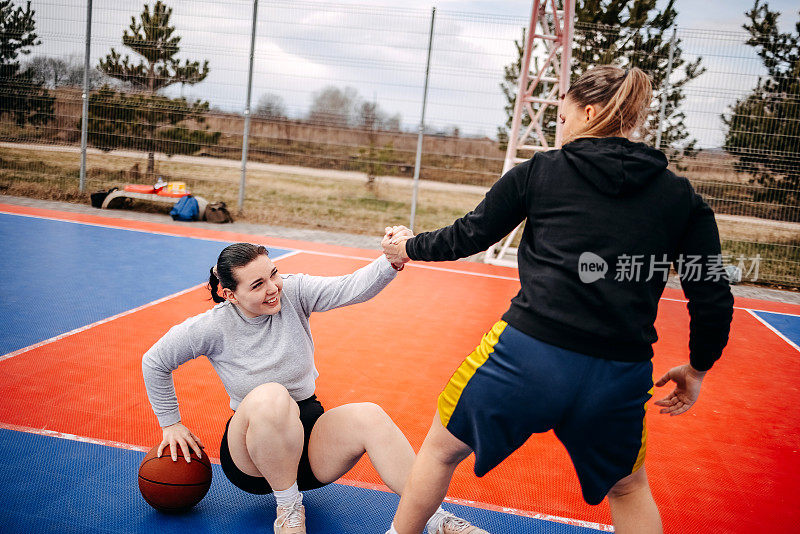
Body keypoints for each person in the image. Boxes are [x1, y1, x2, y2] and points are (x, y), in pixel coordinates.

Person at [381, 65, 735, 534]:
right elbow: (711, 293)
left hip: (526, 354)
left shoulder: (541, 172)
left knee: (440, 450)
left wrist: (405, 247)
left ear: (588, 112)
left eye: (563, 118)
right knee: (628, 489)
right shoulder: (680, 196)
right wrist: (698, 368)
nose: (560, 129)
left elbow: (468, 236)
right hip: (619, 372)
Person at [142, 240, 485, 534]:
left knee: (370, 414)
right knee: (271, 395)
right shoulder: (211, 327)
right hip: (253, 456)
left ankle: (435, 518)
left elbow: (350, 287)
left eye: (273, 274)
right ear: (230, 294)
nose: (273, 287)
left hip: (309, 443)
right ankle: (288, 511)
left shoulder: (292, 293)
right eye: (257, 284)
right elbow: (154, 361)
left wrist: (391, 261)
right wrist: (171, 423)